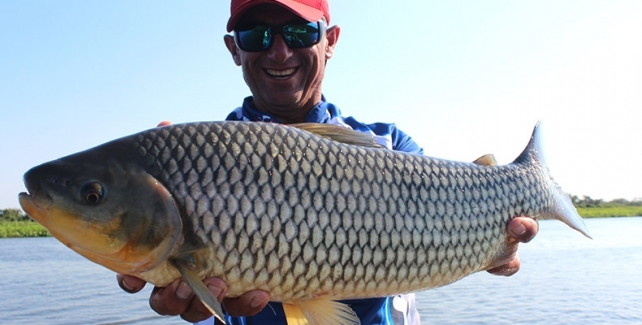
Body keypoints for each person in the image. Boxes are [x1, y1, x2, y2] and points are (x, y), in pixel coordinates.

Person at [117, 0, 540, 324]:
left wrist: (498, 248)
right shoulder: (199, 158)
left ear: (331, 40)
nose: (279, 52)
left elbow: (458, 214)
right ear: (234, 49)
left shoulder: (389, 145)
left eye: (300, 32)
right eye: (256, 35)